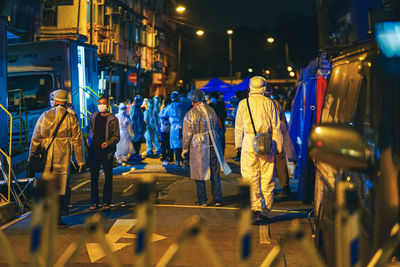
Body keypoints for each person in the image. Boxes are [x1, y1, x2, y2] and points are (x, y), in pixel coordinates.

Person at [29, 89, 85, 228]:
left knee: (44, 186)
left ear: (54, 100)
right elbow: (77, 141)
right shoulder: (71, 116)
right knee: (60, 188)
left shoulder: (44, 115)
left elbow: (35, 138)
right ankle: (56, 220)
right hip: (63, 154)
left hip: (46, 155)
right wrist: (80, 160)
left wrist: (31, 158)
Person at [235, 76, 283, 223]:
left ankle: (254, 209)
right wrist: (278, 147)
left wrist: (238, 145)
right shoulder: (269, 103)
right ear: (264, 87)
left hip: (249, 141)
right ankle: (266, 211)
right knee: (267, 177)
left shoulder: (243, 103)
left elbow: (238, 127)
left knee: (250, 177)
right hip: (267, 141)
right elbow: (276, 127)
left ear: (250, 87)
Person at [182, 90, 231, 206]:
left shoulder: (190, 113)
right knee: (215, 172)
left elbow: (187, 133)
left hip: (198, 145)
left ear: (193, 100)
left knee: (199, 173)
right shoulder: (211, 110)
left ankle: (202, 200)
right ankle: (217, 199)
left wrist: (184, 149)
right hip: (213, 142)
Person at [88, 97, 120, 210]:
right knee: (94, 178)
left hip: (107, 153)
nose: (101, 105)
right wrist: (89, 143)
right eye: (100, 103)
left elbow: (117, 137)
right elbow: (91, 130)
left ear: (108, 105)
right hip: (94, 151)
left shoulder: (112, 119)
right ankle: (94, 202)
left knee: (108, 178)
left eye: (104, 104)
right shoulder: (93, 116)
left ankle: (106, 202)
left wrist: (108, 142)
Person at [269, 94, 297, 197]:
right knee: (280, 160)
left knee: (267, 163)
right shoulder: (276, 103)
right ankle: (285, 186)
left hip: (268, 135)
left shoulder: (263, 103)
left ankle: (269, 189)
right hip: (279, 133)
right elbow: (283, 120)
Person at [165, 91, 186, 166]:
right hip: (182, 126)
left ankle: (178, 161)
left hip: (174, 128)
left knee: (176, 144)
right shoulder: (182, 105)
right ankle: (184, 160)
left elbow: (162, 114)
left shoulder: (169, 106)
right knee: (183, 143)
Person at [129, 95, 145, 159]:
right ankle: (136, 154)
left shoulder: (132, 108)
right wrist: (140, 128)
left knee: (134, 140)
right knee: (137, 141)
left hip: (133, 127)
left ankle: (134, 154)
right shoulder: (138, 109)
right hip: (137, 128)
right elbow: (139, 119)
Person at [159, 98, 173, 166]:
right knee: (167, 145)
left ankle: (167, 157)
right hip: (166, 129)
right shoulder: (165, 110)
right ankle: (166, 158)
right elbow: (163, 118)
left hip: (164, 129)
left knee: (165, 144)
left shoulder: (163, 110)